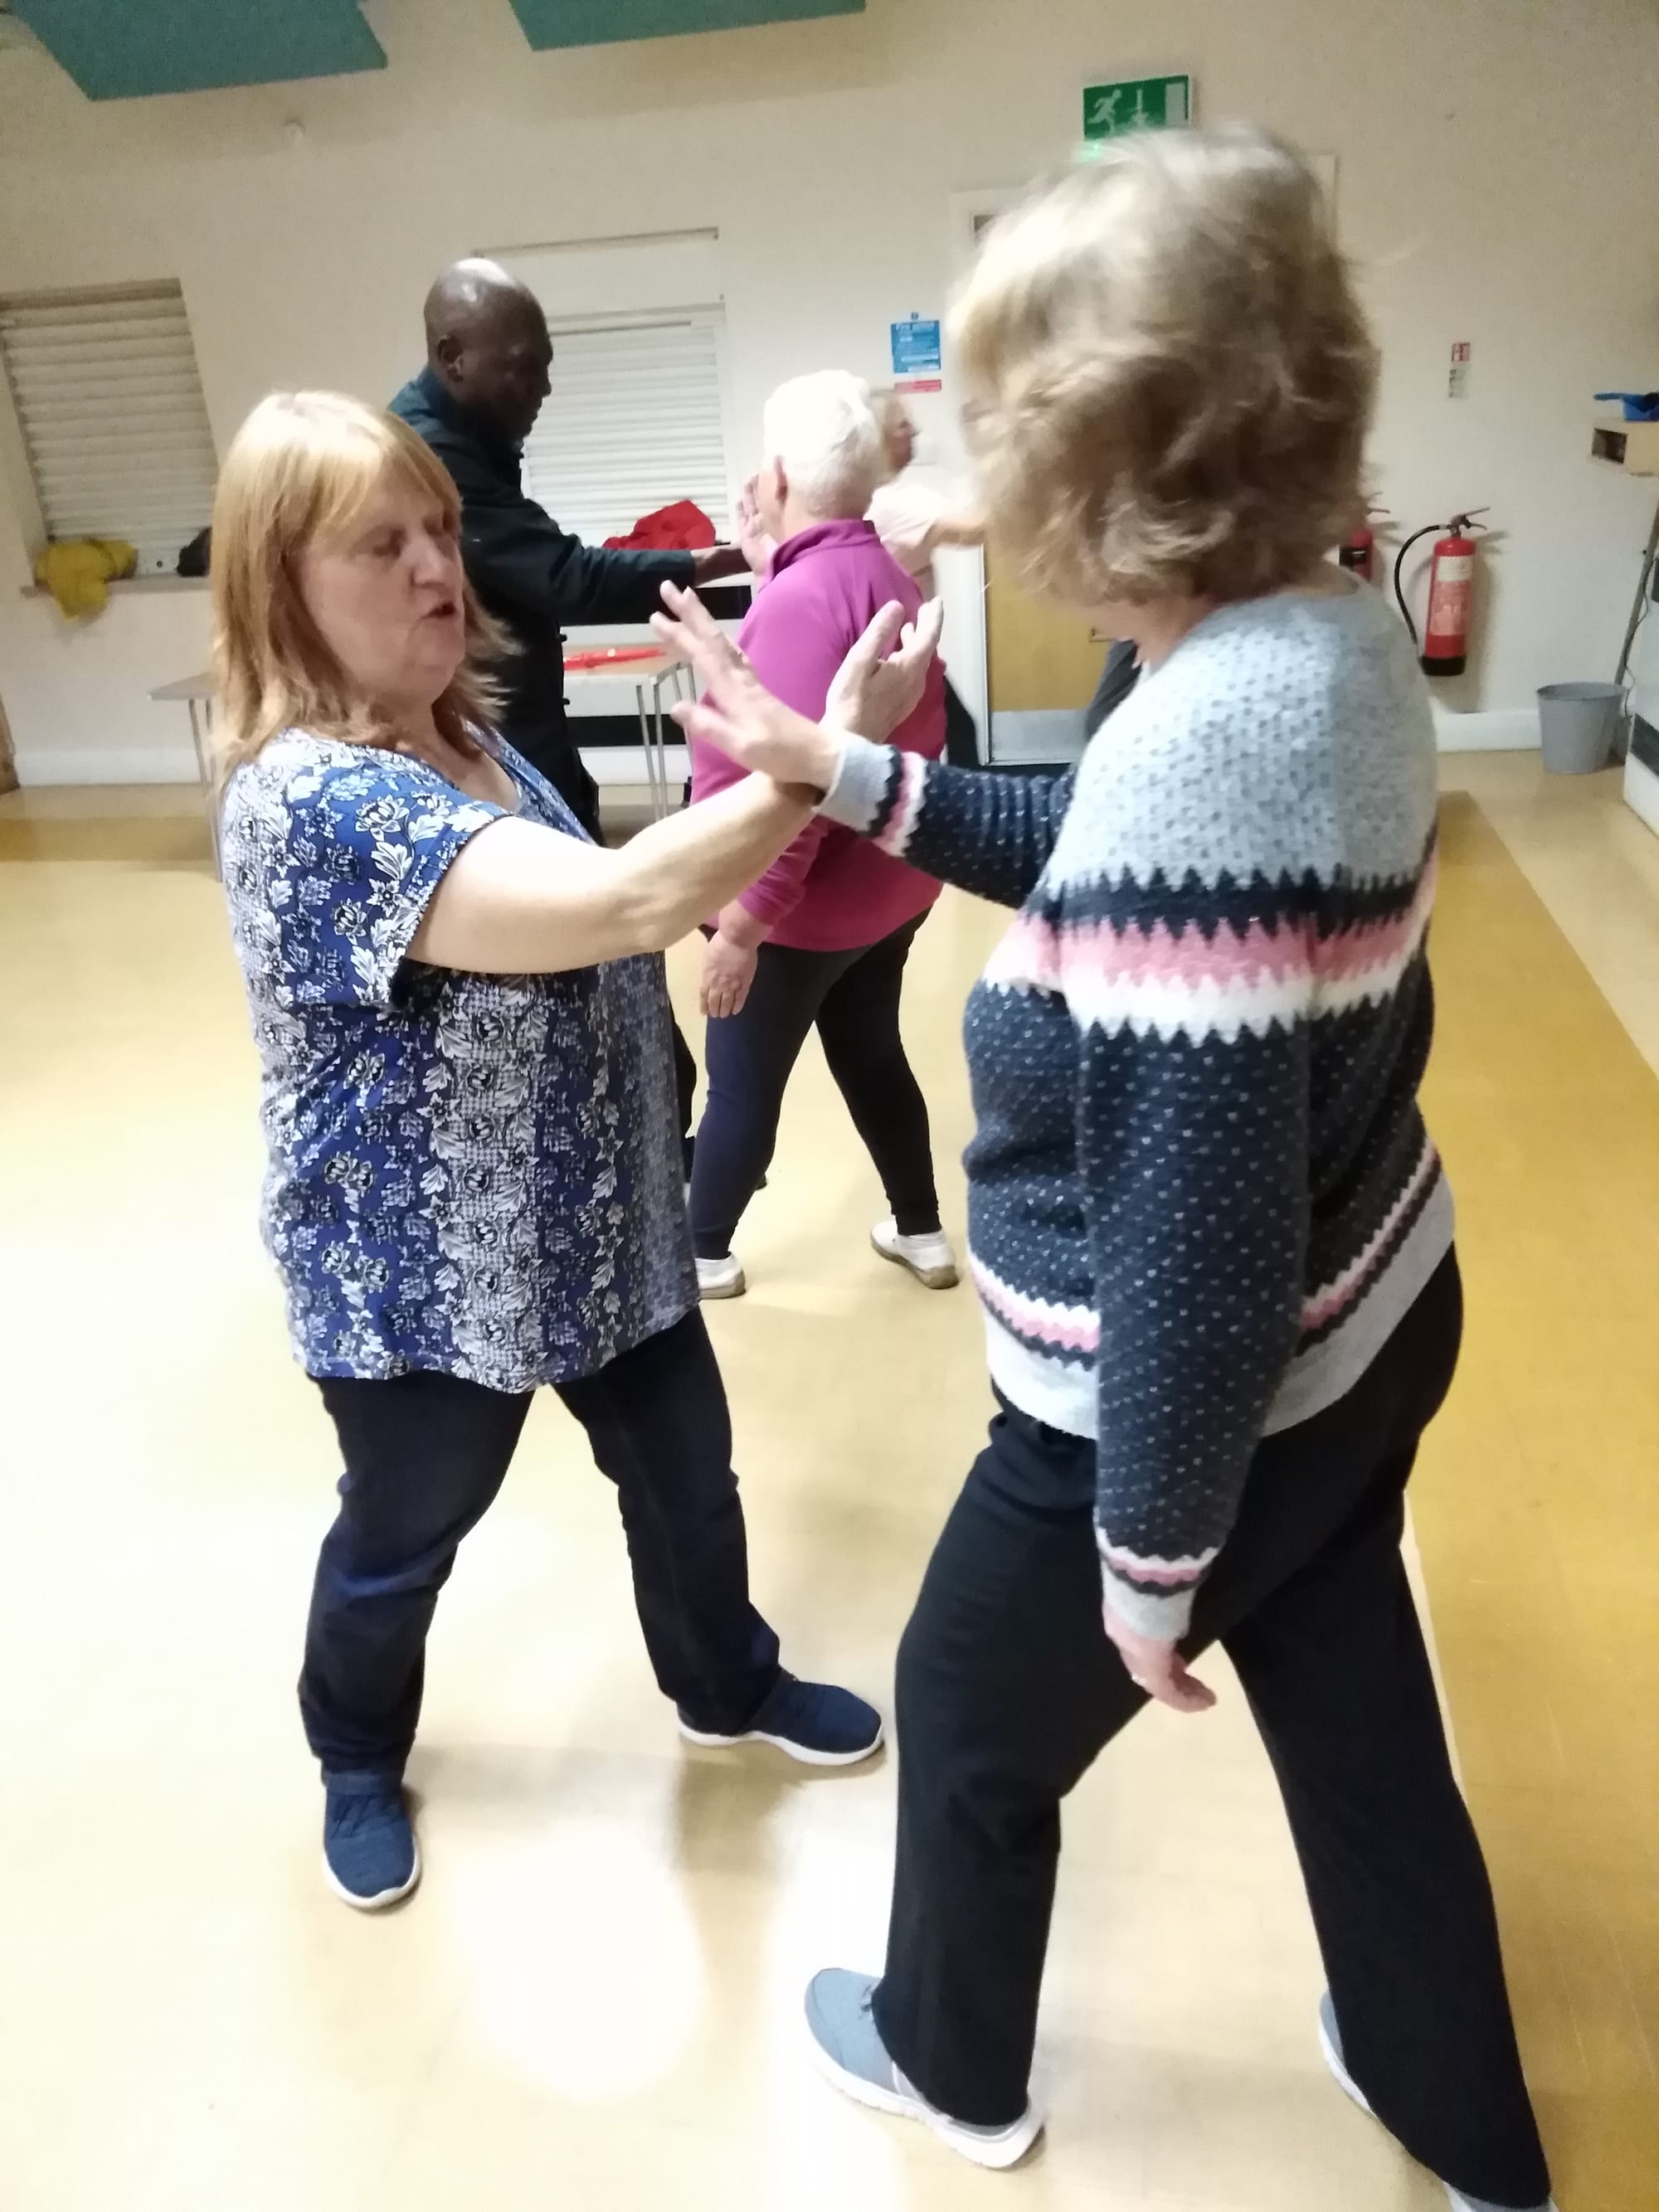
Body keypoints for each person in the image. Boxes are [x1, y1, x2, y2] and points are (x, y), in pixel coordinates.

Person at [654, 132, 1554, 2212]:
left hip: (1186, 1393)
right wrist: (841, 770)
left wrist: (1148, 1562)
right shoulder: (1319, 640)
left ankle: (948, 2062)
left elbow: (1199, 1241)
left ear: (1097, 470)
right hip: (1375, 1316)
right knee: (1353, 1725)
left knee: (968, 1708)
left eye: (998, 433)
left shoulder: (1191, 748)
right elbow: (1118, 881)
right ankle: (1456, 2110)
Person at [211, 391, 936, 1911]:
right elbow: (618, 907)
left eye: (441, 533)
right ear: (284, 584)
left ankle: (723, 1682)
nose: (436, 571)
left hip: (601, 1221)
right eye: (381, 545)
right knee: (404, 1539)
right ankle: (354, 1748)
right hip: (423, 1271)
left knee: (686, 1480)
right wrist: (824, 756)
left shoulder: (457, 729)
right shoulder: (310, 795)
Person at [389, 257, 748, 1164]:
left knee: (602, 962)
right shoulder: (431, 454)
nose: (542, 385)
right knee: (594, 952)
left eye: (545, 363)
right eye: (521, 365)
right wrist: (706, 568)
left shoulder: (461, 433)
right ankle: (655, 1148)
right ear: (451, 354)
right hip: (502, 751)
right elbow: (559, 577)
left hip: (523, 742)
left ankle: (655, 1139)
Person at [687, 372, 955, 1302]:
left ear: (775, 474)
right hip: (887, 896)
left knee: (743, 1087)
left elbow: (797, 787)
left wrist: (741, 931)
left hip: (798, 917)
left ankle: (700, 1252)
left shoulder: (800, 603)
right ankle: (920, 1231)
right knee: (871, 1050)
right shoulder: (883, 574)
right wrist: (769, 564)